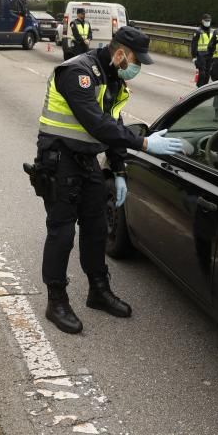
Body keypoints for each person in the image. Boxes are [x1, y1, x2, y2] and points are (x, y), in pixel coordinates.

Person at [29, 26, 184, 334]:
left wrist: (120, 171)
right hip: (59, 159)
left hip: (85, 160)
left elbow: (114, 125)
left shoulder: (113, 80)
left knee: (97, 228)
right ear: (120, 53)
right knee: (61, 232)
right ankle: (56, 300)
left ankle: (98, 290)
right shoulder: (77, 72)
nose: (137, 67)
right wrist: (145, 144)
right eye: (136, 60)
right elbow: (97, 124)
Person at [191, 13, 213, 87]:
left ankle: (204, 89)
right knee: (202, 74)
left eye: (209, 20)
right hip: (201, 56)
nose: (207, 22)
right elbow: (194, 45)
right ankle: (199, 88)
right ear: (202, 21)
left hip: (210, 56)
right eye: (206, 20)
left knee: (207, 74)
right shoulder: (198, 31)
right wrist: (194, 57)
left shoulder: (212, 32)